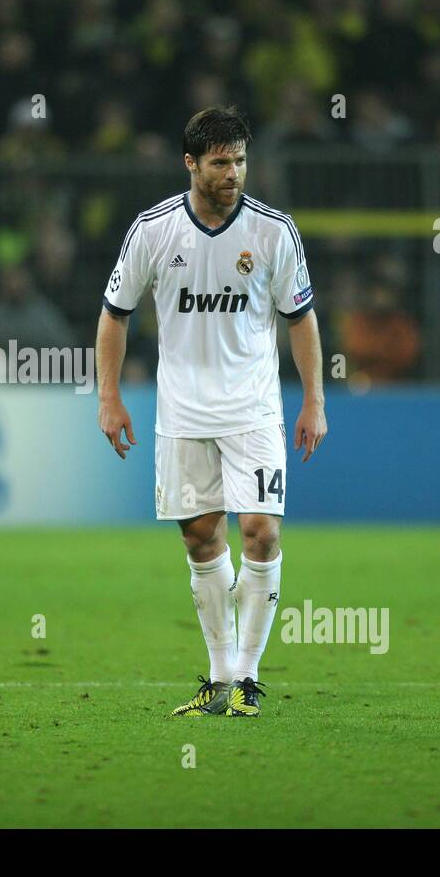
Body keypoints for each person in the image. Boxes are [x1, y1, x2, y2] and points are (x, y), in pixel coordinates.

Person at [95, 106, 327, 718]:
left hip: (253, 410)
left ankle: (248, 676)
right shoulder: (153, 230)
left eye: (241, 160)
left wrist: (314, 400)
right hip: (182, 414)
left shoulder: (274, 232)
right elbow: (115, 315)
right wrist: (109, 396)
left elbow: (300, 318)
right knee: (201, 540)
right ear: (191, 163)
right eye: (221, 162)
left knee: (261, 529)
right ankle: (220, 680)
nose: (234, 173)